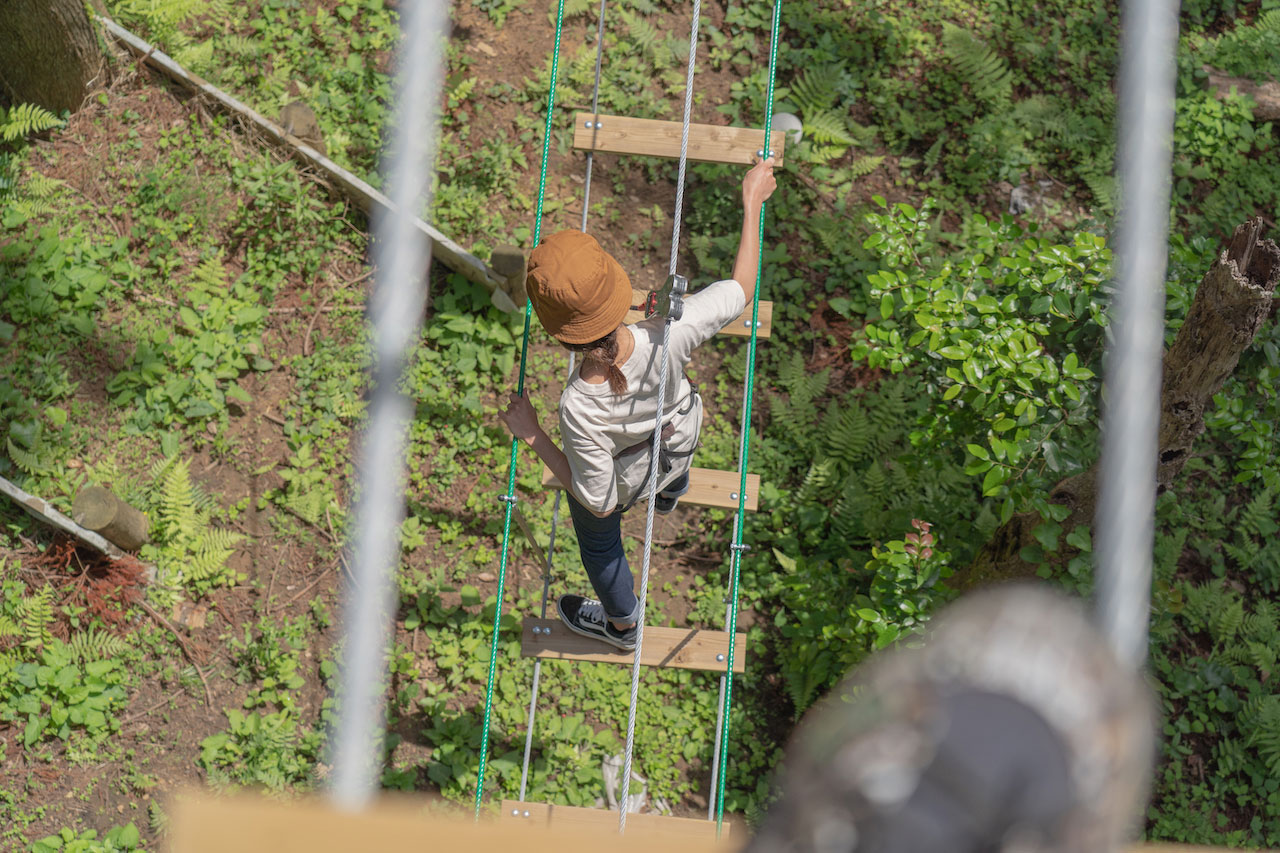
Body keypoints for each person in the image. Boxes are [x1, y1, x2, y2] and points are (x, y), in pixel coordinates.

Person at [498, 157, 778, 651]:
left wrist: (532, 434)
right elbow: (741, 289)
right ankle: (671, 490)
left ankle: (623, 626)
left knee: (596, 531)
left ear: (559, 332)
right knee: (670, 454)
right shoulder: (672, 329)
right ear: (616, 286)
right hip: (677, 440)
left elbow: (601, 500)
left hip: (630, 471)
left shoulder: (579, 408)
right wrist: (752, 201)